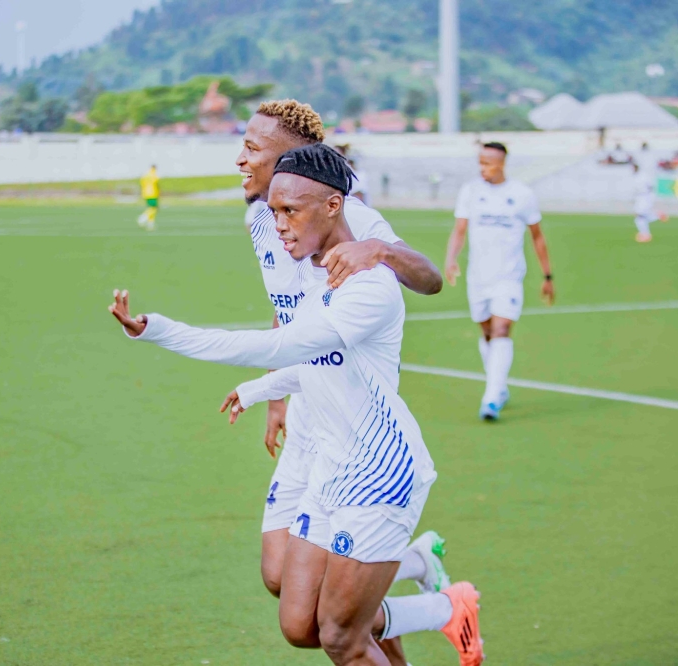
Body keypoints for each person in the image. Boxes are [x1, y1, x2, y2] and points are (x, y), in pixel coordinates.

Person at [110, 144, 484, 666]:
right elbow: (314, 361)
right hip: (330, 462)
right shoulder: (310, 268)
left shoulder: (367, 287)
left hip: (378, 472)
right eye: (275, 211)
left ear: (334, 207)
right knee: (299, 623)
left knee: (339, 637)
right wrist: (261, 392)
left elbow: (279, 346)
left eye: (290, 211)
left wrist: (160, 331)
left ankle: (435, 602)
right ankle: (436, 599)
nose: (278, 222)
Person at [237, 101, 450, 665]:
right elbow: (288, 315)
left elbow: (430, 279)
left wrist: (377, 249)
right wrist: (277, 395)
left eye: (254, 149)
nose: (241, 159)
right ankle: (418, 572)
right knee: (281, 581)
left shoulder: (351, 215)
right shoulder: (262, 217)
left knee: (330, 626)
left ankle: (428, 601)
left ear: (292, 163)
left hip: (352, 430)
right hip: (308, 411)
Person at [444, 142, 554, 422]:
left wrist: (547, 275)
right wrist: (451, 259)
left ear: (501, 164)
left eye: (487, 163)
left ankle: (491, 398)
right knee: (488, 333)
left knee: (502, 328)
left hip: (509, 276)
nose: (482, 168)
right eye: (480, 163)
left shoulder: (521, 194)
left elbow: (537, 236)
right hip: (478, 277)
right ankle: (500, 387)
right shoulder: (471, 191)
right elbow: (460, 229)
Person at [632, 162, 668, 243]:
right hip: (640, 197)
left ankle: (646, 235)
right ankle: (657, 217)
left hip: (645, 196)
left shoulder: (643, 176)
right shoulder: (636, 176)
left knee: (640, 215)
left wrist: (649, 197)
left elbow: (650, 186)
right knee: (639, 218)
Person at [137, 165, 160, 230]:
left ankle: (150, 223)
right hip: (153, 193)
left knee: (151, 208)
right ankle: (143, 217)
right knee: (154, 208)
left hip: (146, 193)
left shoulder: (145, 175)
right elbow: (156, 184)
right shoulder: (154, 175)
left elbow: (142, 184)